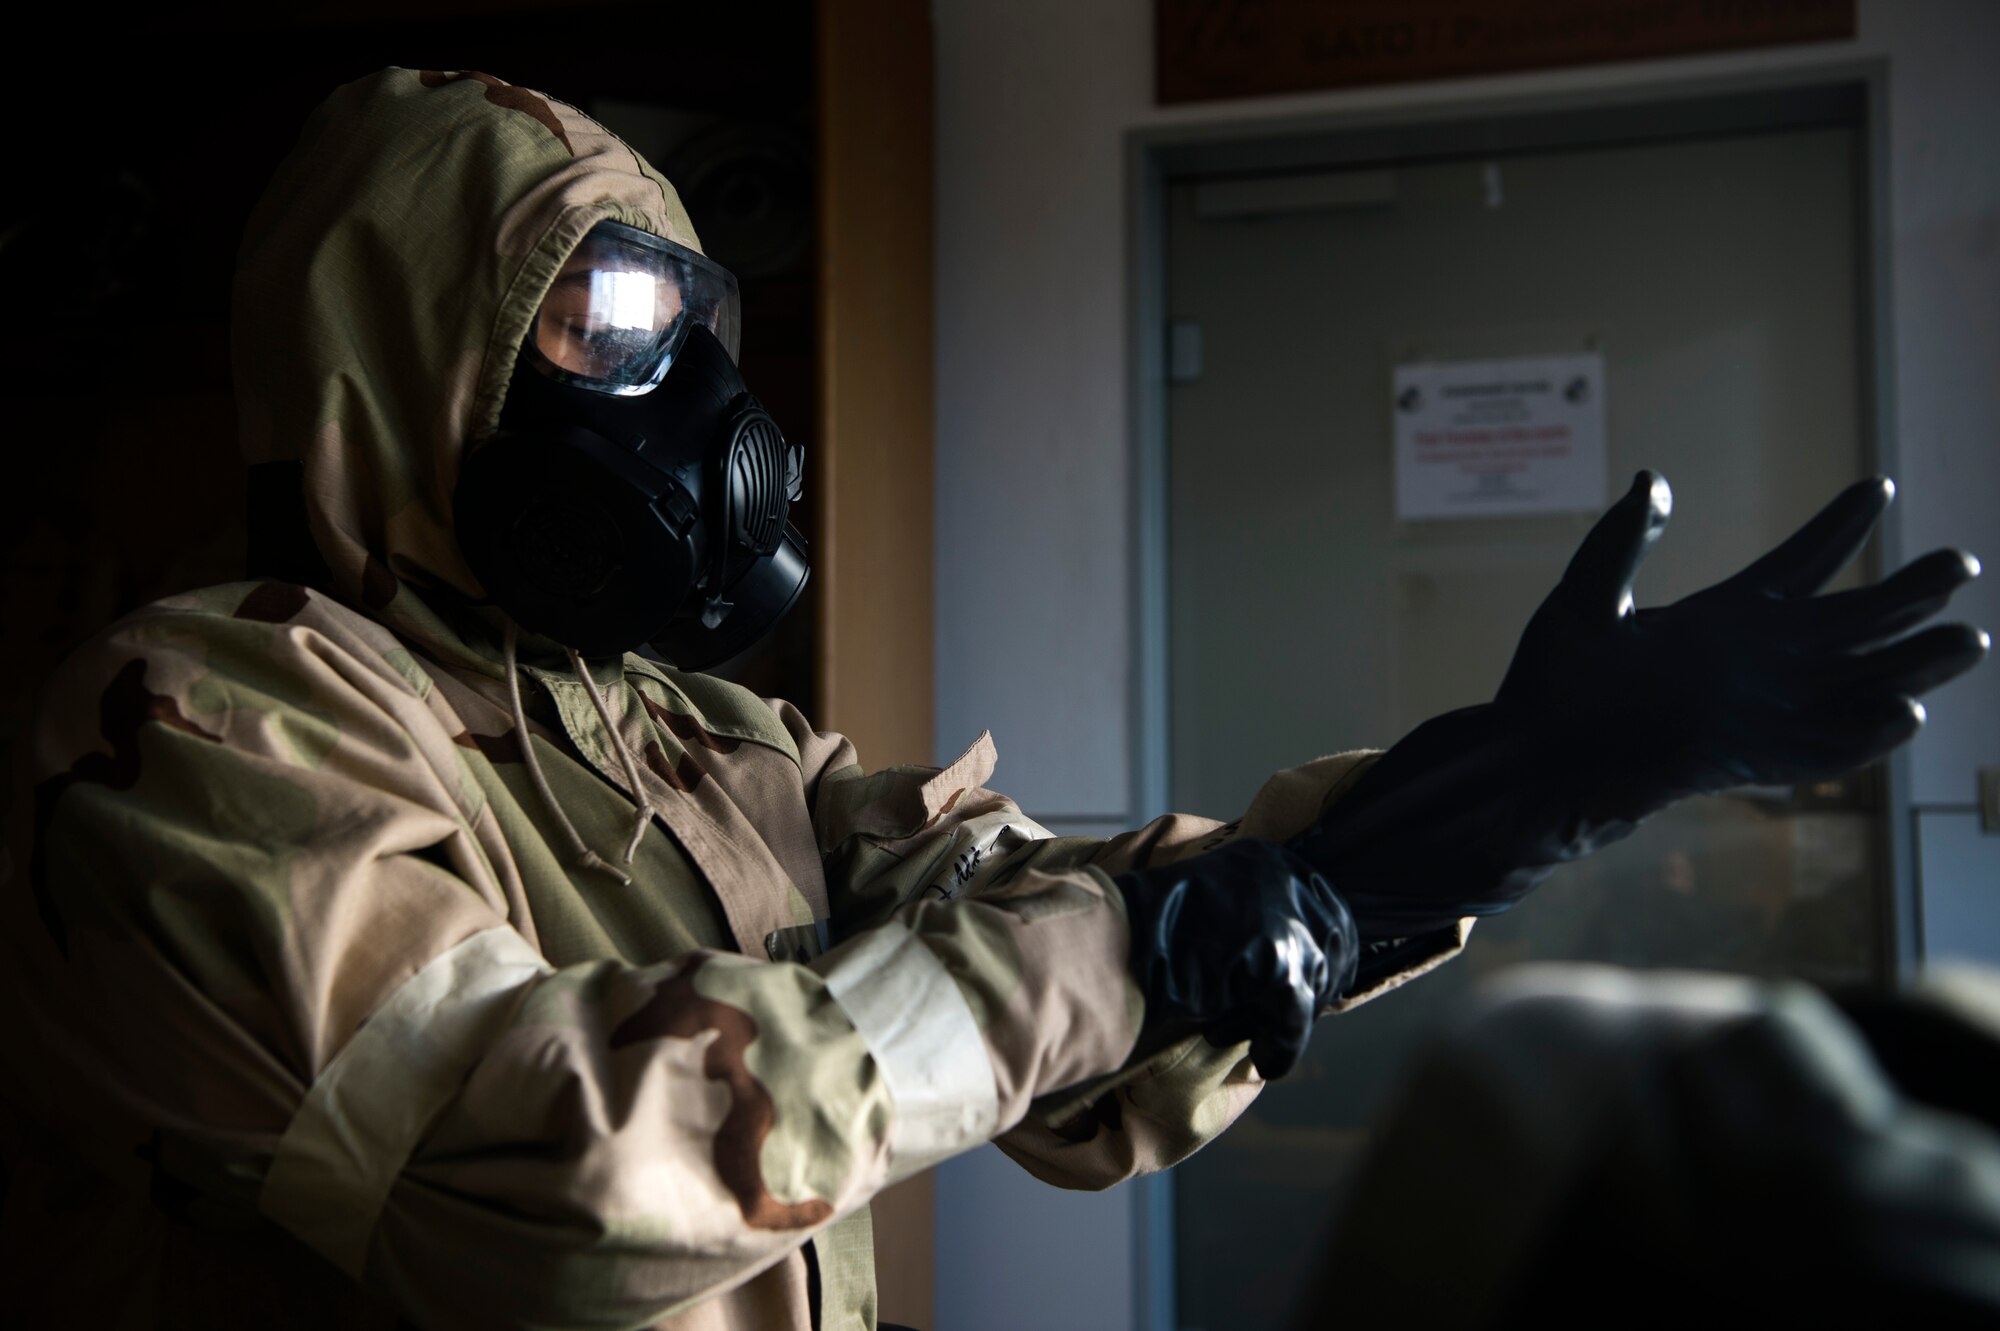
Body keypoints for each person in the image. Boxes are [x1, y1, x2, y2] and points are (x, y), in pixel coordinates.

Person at [0, 68, 1984, 1331]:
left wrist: (1510, 792)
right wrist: (1124, 946)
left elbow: (1069, 982)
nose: (688, 397)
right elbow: (540, 1180)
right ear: (396, 350)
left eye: (696, 323)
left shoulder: (703, 737)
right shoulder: (209, 727)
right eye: (604, 325)